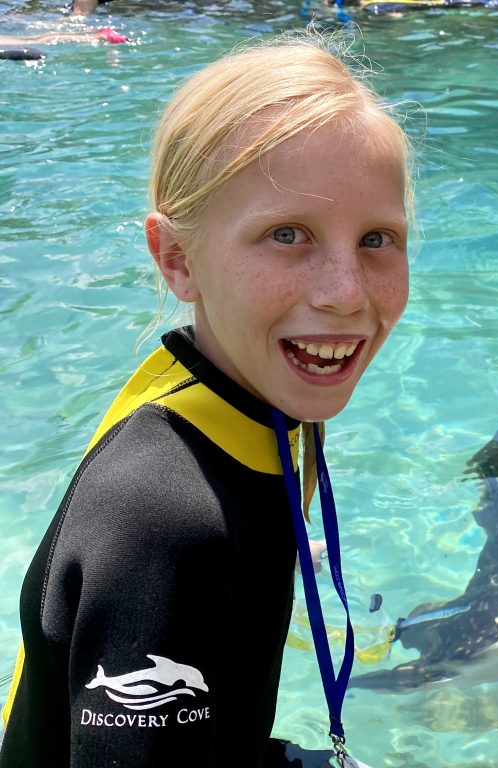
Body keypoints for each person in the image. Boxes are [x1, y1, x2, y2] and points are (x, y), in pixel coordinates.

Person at [0, 34, 411, 767]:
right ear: (177, 259)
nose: (346, 294)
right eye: (288, 235)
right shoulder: (164, 525)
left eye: (378, 238)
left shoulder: (254, 402)